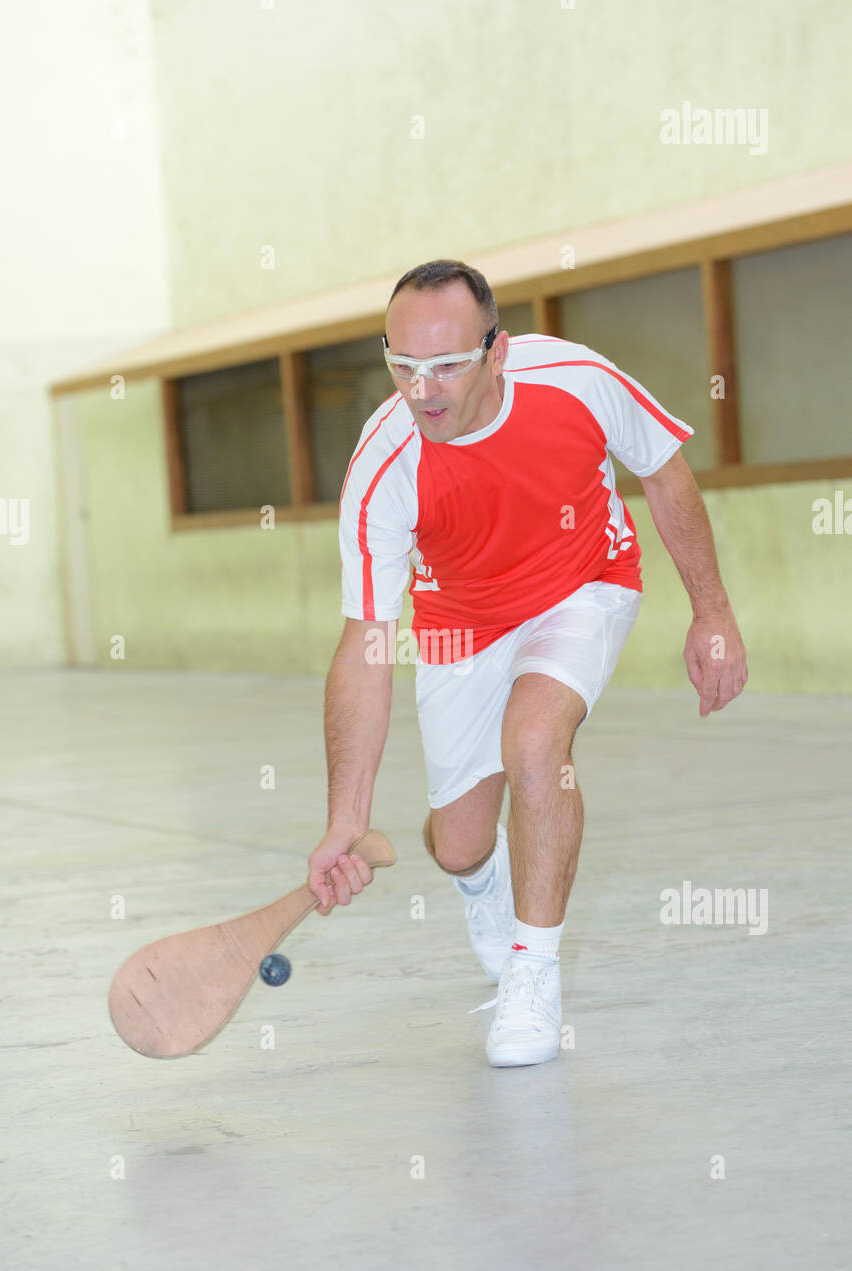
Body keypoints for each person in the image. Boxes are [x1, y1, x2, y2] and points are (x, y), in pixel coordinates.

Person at [308, 258, 747, 1067]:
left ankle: (532, 974)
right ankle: (482, 883)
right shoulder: (382, 466)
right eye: (402, 364)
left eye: (446, 364)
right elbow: (366, 646)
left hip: (581, 585)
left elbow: (661, 470)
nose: (422, 388)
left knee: (536, 741)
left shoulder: (574, 379)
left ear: (497, 352)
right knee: (459, 844)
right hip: (456, 627)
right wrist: (347, 815)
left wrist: (711, 613)